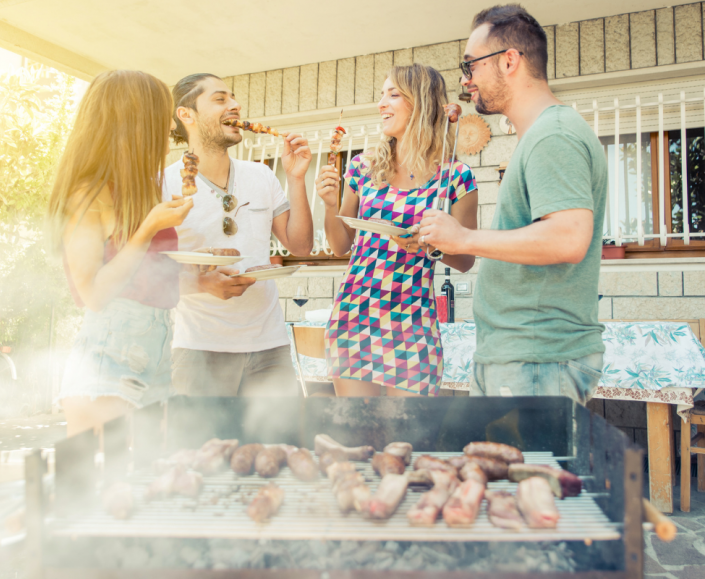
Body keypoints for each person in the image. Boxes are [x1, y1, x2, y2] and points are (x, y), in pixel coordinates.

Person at [417, 4, 608, 403]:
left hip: (537, 358)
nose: (466, 81)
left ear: (509, 61)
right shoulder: (540, 136)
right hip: (520, 357)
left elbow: (569, 238)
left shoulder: (553, 135)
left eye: (471, 66)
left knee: (526, 468)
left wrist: (464, 238)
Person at [317, 64, 478, 397]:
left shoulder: (456, 176)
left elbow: (465, 260)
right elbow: (340, 246)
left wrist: (430, 245)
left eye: (393, 95)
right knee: (357, 435)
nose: (381, 104)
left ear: (420, 103)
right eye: (381, 95)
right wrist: (330, 205)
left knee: (407, 436)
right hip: (354, 313)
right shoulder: (364, 166)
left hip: (411, 321)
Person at [48, 70, 193, 436]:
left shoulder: (138, 190)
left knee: (148, 480)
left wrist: (206, 281)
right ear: (135, 127)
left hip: (154, 357)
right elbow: (94, 294)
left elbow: (145, 281)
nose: (170, 136)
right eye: (162, 124)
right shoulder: (88, 194)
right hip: (108, 362)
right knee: (102, 483)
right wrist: (147, 230)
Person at [164, 73, 314, 396]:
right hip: (200, 351)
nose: (235, 105)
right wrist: (203, 283)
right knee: (204, 447)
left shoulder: (261, 175)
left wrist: (296, 178)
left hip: (270, 348)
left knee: (276, 446)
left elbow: (301, 245)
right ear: (186, 114)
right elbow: (147, 272)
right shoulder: (163, 185)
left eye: (233, 98)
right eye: (220, 99)